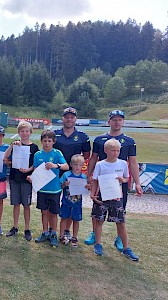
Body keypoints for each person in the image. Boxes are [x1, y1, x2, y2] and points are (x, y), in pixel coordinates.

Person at [85, 110, 143, 251]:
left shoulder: (129, 141)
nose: (117, 122)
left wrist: (138, 183)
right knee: (98, 210)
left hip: (119, 183)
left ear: (123, 122)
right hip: (102, 183)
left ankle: (119, 238)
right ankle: (95, 235)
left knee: (120, 212)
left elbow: (133, 163)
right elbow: (93, 158)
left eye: (119, 120)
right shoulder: (100, 139)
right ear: (109, 122)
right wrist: (89, 176)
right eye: (114, 119)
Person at [90, 139, 139, 261]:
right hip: (102, 196)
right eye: (112, 150)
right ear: (106, 150)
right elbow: (95, 180)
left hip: (117, 197)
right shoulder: (100, 164)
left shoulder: (122, 163)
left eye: (117, 150)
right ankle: (98, 244)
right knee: (98, 221)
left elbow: (127, 178)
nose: (115, 153)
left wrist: (122, 180)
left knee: (121, 223)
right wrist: (92, 193)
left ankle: (126, 248)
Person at [54, 107, 91, 240]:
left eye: (72, 117)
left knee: (71, 202)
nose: (69, 119)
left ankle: (66, 230)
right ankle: (51, 231)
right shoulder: (55, 134)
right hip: (56, 173)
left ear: (75, 119)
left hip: (73, 176)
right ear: (62, 118)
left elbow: (86, 156)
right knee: (53, 203)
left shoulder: (82, 136)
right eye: (66, 117)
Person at [31, 130, 68, 247]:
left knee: (53, 213)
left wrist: (55, 165)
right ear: (41, 141)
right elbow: (36, 170)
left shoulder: (57, 153)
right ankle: (45, 232)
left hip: (54, 189)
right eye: (45, 141)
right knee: (44, 212)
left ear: (53, 142)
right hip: (42, 190)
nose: (47, 143)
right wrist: (31, 178)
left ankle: (53, 233)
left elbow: (66, 166)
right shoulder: (38, 155)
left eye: (49, 141)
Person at [4, 121, 39, 241]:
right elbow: (5, 157)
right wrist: (12, 146)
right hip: (14, 177)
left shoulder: (34, 147)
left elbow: (36, 164)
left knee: (26, 205)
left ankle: (27, 229)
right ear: (18, 132)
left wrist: (28, 170)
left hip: (26, 179)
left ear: (30, 132)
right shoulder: (15, 144)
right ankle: (15, 226)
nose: (24, 133)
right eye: (22, 131)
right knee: (16, 204)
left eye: (27, 131)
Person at [59, 154, 90, 247]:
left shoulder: (83, 177)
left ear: (83, 166)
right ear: (71, 164)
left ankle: (74, 237)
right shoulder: (66, 175)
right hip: (66, 201)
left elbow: (86, 189)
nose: (77, 167)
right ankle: (61, 235)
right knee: (64, 218)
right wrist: (65, 184)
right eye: (75, 164)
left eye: (80, 165)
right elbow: (60, 186)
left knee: (76, 219)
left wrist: (88, 187)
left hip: (77, 203)